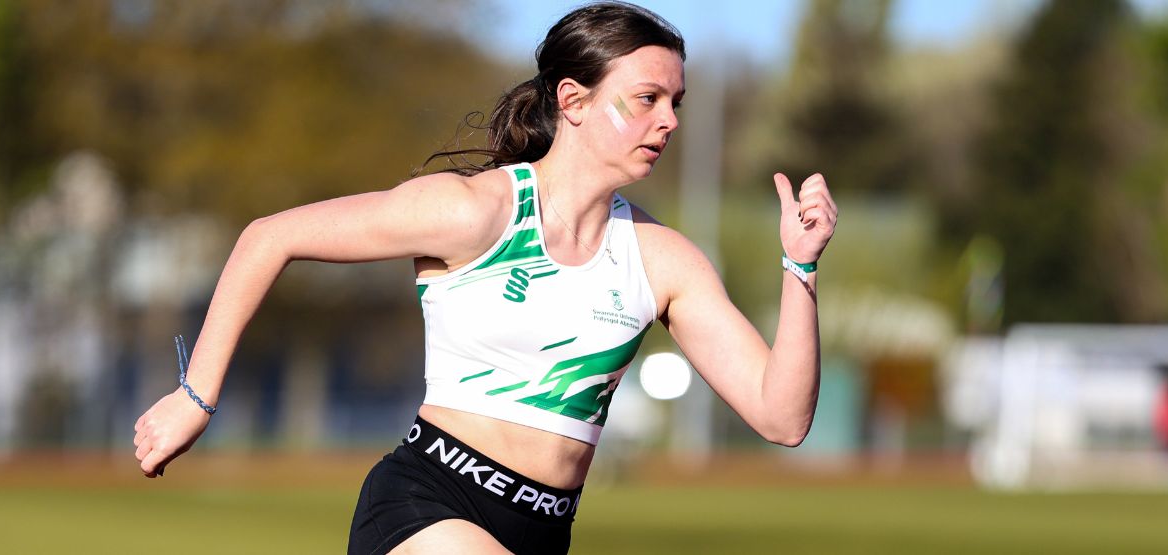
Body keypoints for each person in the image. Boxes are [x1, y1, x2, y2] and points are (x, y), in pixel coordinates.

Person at [132, 3, 837, 553]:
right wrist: (197, 396)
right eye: (648, 98)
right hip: (426, 506)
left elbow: (781, 417)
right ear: (573, 101)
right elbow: (269, 237)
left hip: (544, 532)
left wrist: (799, 265)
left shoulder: (663, 259)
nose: (671, 120)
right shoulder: (474, 212)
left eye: (677, 101)